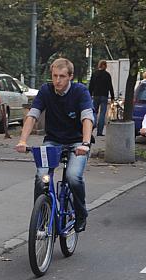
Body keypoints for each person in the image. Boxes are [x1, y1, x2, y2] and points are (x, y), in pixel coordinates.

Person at [15, 58, 93, 233]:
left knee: (73, 177)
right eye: (55, 76)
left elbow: (87, 117)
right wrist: (22, 140)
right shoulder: (45, 91)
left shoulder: (80, 91)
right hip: (53, 141)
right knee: (41, 177)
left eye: (62, 76)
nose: (57, 80)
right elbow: (32, 115)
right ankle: (41, 218)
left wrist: (86, 143)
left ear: (70, 77)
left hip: (78, 142)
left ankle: (81, 213)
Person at [88, 60, 115, 136]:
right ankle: (99, 132)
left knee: (94, 112)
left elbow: (91, 86)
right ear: (105, 65)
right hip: (104, 96)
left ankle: (91, 128)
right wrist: (112, 96)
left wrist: (89, 95)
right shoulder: (107, 75)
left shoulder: (94, 74)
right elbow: (110, 86)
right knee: (102, 114)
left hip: (96, 96)